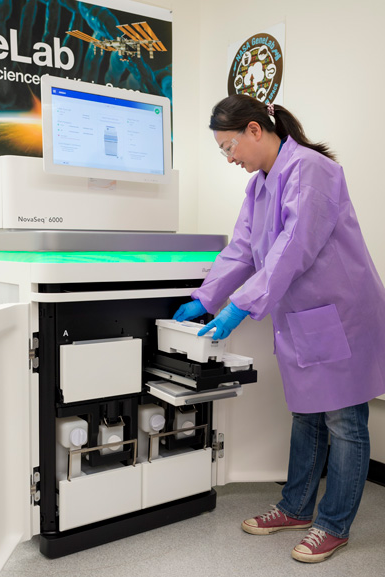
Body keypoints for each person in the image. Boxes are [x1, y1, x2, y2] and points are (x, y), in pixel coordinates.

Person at [173, 94, 385, 563]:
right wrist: (205, 297)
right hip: (306, 317)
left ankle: (333, 525)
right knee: (307, 414)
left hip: (342, 313)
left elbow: (293, 248)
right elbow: (242, 249)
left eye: (229, 147)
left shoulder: (312, 169)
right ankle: (295, 507)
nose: (229, 159)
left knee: (344, 422)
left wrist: (240, 305)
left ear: (254, 129)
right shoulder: (259, 186)